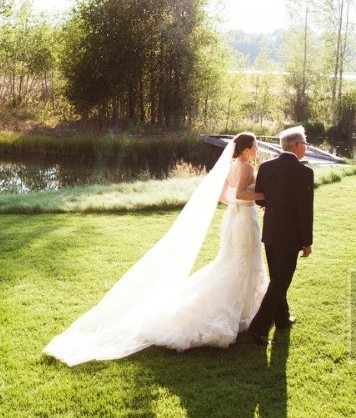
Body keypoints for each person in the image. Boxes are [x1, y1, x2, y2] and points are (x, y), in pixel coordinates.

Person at [43, 132, 269, 366]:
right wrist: (264, 196)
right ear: (245, 150)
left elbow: (224, 196)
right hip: (243, 219)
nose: (256, 150)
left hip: (233, 218)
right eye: (254, 146)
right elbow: (242, 193)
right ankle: (239, 313)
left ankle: (244, 311)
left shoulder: (232, 166)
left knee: (232, 261)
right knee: (241, 262)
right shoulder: (246, 168)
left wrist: (238, 204)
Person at [244, 125, 315, 346]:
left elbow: (260, 198)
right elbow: (305, 211)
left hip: (271, 232)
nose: (306, 147)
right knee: (281, 281)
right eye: (305, 143)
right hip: (289, 237)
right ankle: (258, 329)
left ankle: (282, 319)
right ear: (296, 145)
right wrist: (307, 242)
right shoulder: (305, 172)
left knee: (278, 278)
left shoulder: (266, 166)